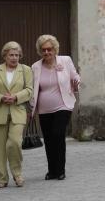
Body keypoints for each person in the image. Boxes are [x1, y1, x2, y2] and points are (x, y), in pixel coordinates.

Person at [30, 35, 80, 181]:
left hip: (63, 105)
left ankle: (60, 170)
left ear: (55, 49)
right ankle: (51, 170)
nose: (46, 52)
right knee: (49, 138)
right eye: (43, 50)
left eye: (49, 49)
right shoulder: (35, 67)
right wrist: (30, 109)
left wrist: (77, 82)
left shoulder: (65, 60)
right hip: (44, 109)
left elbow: (75, 76)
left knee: (58, 134)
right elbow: (33, 89)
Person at [0, 42, 34, 188]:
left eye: (17, 55)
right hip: (0, 112)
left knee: (14, 143)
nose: (14, 58)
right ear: (5, 55)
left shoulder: (26, 70)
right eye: (11, 55)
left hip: (18, 111)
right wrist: (0, 98)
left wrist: (16, 97)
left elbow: (30, 90)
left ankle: (17, 174)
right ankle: (3, 178)